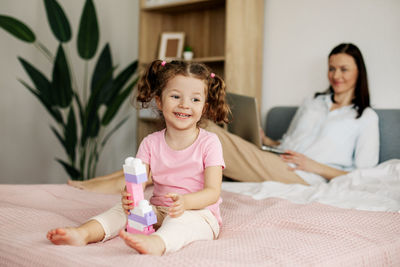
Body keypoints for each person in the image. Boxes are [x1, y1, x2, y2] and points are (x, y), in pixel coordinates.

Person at [68, 42, 379, 189]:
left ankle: (123, 181)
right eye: (332, 68)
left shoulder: (365, 119)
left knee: (205, 132)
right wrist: (265, 138)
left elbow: (366, 173)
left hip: (306, 175)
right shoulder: (312, 104)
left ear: (357, 73)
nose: (336, 75)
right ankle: (112, 179)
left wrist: (314, 166)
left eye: (344, 69)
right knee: (207, 128)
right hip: (275, 157)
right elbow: (286, 141)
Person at [47, 60, 231, 255]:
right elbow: (137, 182)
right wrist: (129, 197)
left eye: (195, 100)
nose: (184, 105)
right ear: (159, 101)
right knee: (122, 210)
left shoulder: (210, 142)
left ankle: (156, 243)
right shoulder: (150, 143)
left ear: (204, 107)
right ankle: (83, 233)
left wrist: (186, 202)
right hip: (158, 209)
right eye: (176, 96)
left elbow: (212, 192)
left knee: (181, 223)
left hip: (199, 213)